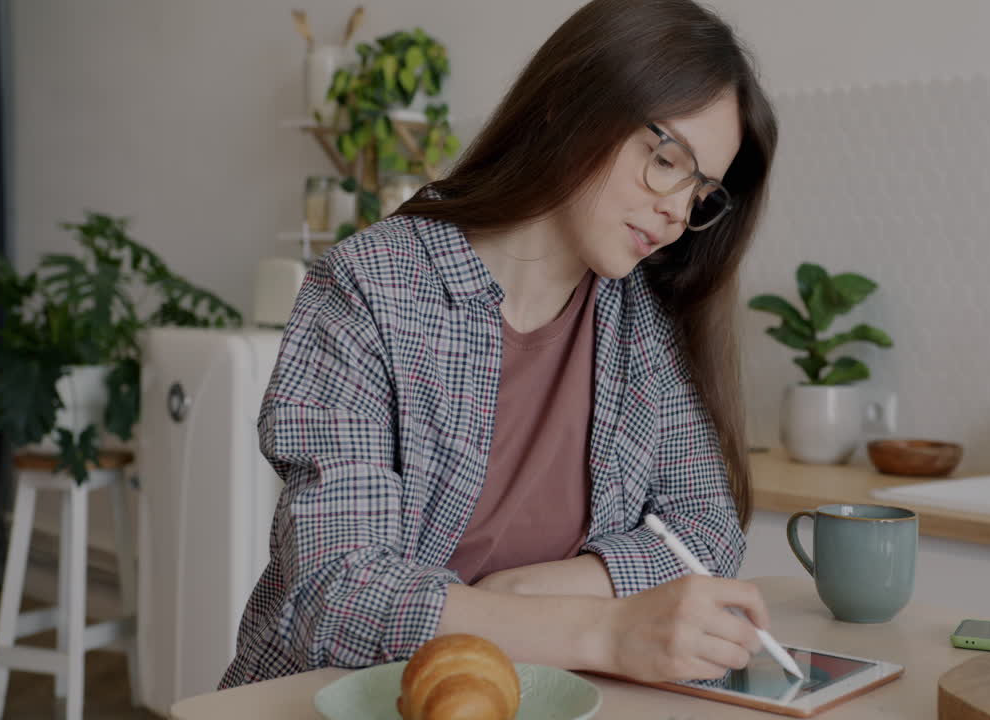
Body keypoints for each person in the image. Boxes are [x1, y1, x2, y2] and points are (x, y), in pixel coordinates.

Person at [220, 0, 777, 689]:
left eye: (702, 192)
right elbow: (336, 593)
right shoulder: (370, 288)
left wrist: (523, 597)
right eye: (666, 160)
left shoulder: (644, 325)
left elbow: (706, 533)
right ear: (568, 107)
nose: (677, 210)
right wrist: (604, 628)